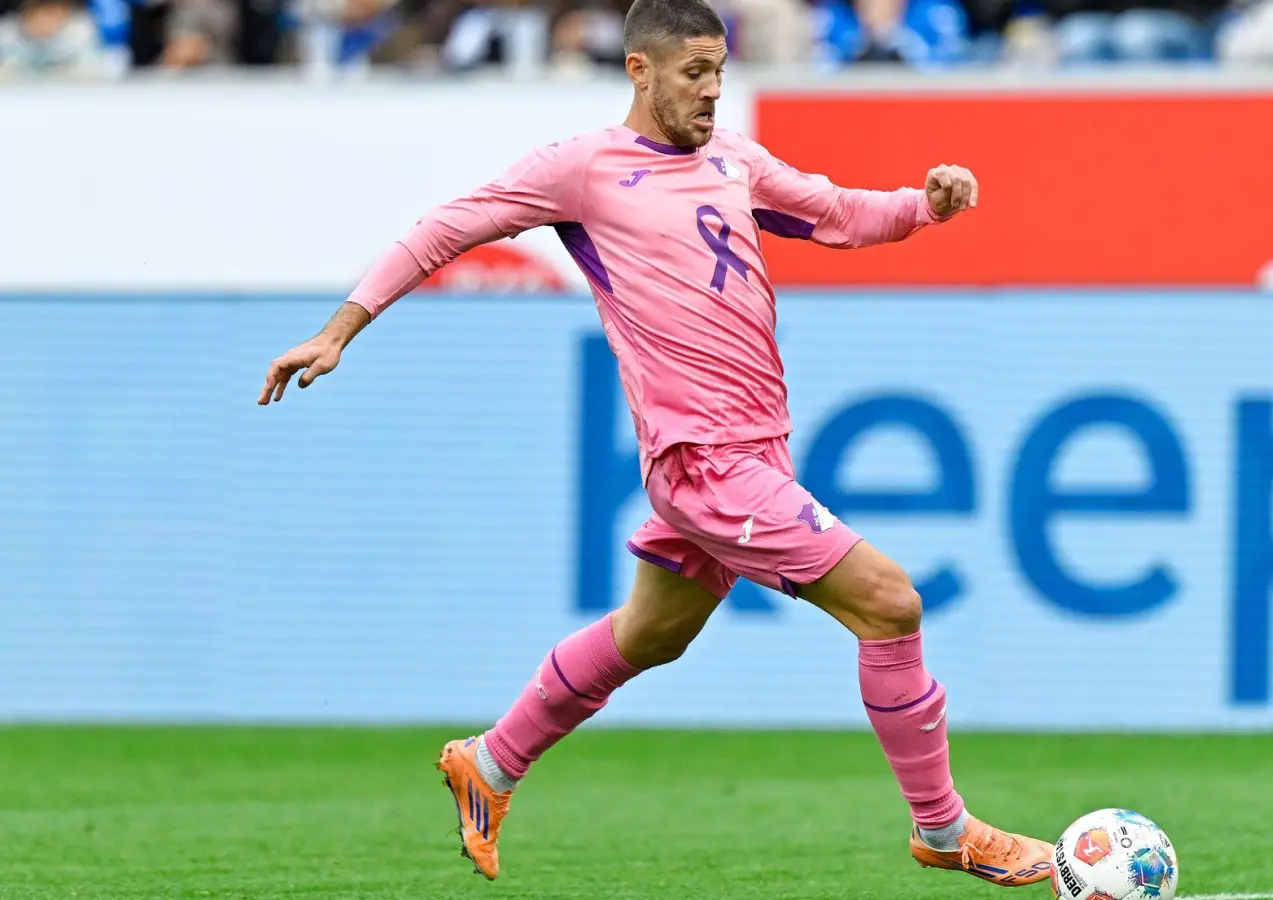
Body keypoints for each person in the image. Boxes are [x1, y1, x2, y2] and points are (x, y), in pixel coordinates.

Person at [257, 0, 1053, 887]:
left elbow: (836, 213)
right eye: (693, 73)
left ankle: (489, 762)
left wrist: (924, 206)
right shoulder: (584, 169)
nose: (712, 91)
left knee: (650, 634)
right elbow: (445, 226)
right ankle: (945, 831)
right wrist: (340, 330)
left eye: (719, 71)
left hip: (756, 453)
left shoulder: (734, 160)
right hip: (704, 462)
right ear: (640, 70)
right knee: (892, 604)